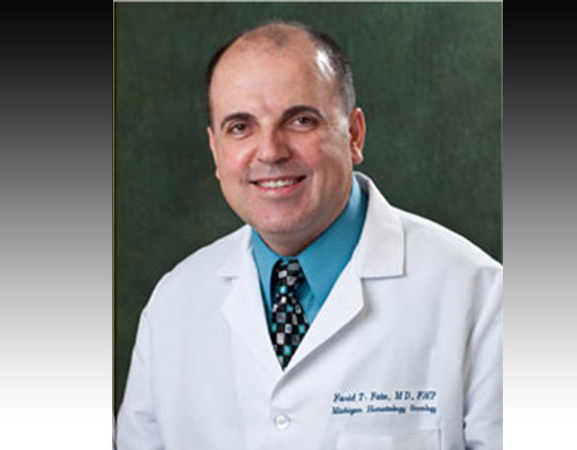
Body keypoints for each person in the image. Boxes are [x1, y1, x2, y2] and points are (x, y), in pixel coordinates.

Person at [116, 20, 502, 450]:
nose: (270, 151)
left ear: (353, 135)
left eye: (300, 120)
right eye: (240, 127)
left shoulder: (481, 297)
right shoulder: (173, 305)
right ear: (216, 151)